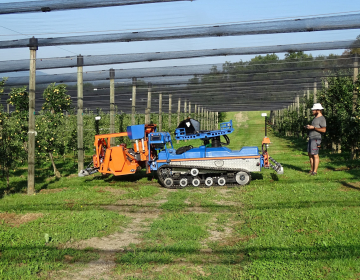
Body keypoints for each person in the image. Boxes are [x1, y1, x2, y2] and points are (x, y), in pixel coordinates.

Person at [305, 103, 326, 175]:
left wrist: (313, 128)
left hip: (316, 138)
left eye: (313, 110)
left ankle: (315, 171)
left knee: (315, 154)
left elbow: (323, 130)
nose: (312, 111)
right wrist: (309, 127)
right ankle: (312, 169)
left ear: (318, 110)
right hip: (311, 138)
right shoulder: (315, 118)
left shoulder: (322, 119)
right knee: (310, 154)